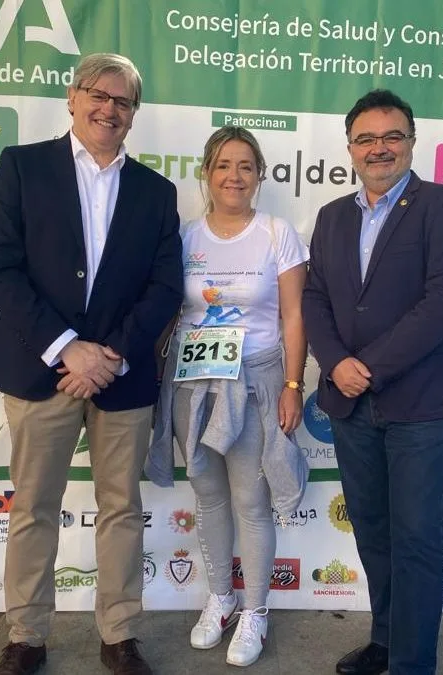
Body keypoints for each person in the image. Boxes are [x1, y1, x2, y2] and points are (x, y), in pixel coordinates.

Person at [0, 53, 183, 675]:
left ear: (133, 114)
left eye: (123, 101)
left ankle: (119, 634)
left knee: (121, 507)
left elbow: (165, 287)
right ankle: (26, 637)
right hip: (41, 369)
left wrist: (110, 354)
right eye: (98, 94)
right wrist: (67, 346)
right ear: (73, 97)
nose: (108, 109)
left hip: (122, 375)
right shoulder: (22, 166)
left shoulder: (156, 191)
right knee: (33, 506)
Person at [302, 90, 443, 675]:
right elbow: (315, 298)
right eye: (366, 139)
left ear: (411, 142)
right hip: (350, 406)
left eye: (392, 136)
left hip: (420, 405)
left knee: (418, 540)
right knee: (373, 532)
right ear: (350, 148)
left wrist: (367, 368)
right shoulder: (332, 217)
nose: (380, 148)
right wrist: (335, 363)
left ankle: (411, 663)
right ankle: (386, 639)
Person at [145, 126, 310, 668]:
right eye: (222, 165)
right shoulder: (185, 237)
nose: (233, 176)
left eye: (245, 166)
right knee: (209, 495)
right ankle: (220, 598)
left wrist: (293, 385)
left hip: (255, 381)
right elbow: (170, 310)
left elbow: (293, 316)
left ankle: (255, 610)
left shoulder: (277, 233)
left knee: (251, 500)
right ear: (206, 174)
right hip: (192, 383)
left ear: (259, 175)